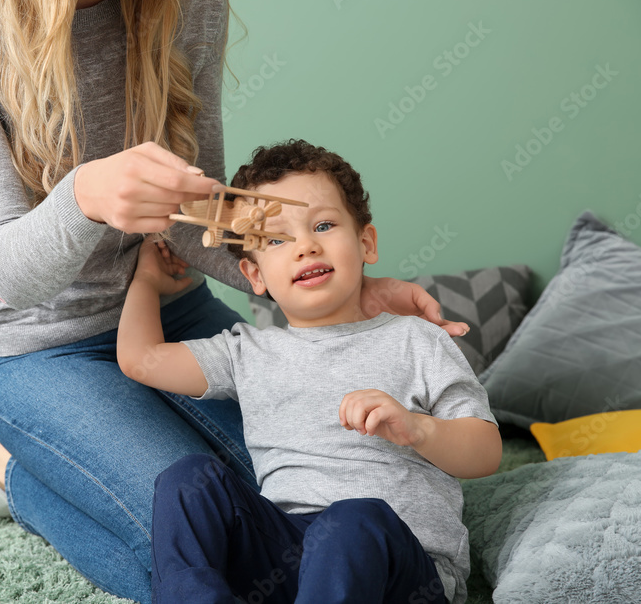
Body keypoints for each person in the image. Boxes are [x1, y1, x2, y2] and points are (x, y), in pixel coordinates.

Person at [0, 0, 471, 601]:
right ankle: (3, 467)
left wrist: (346, 287)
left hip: (176, 311)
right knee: (190, 559)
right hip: (37, 347)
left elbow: (201, 212)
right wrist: (85, 195)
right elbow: (8, 273)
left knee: (314, 510)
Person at [117, 139, 502, 604]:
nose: (306, 246)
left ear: (366, 243)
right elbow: (140, 359)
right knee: (186, 481)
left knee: (351, 522)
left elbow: (486, 454)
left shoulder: (418, 339)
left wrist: (417, 428)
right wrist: (146, 281)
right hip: (287, 565)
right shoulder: (248, 351)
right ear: (254, 276)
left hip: (400, 567)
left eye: (323, 224)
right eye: (277, 240)